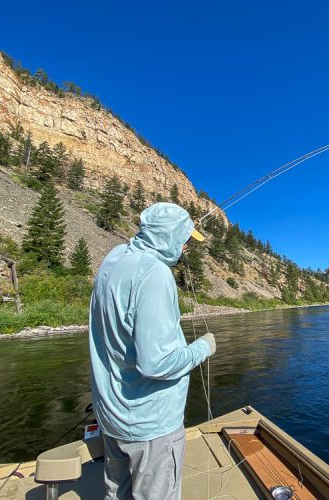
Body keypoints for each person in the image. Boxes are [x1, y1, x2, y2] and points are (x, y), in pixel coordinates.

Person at [89, 202, 216, 500]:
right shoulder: (155, 274)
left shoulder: (113, 260)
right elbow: (157, 364)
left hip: (112, 417)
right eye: (185, 240)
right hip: (151, 426)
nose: (186, 248)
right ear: (170, 237)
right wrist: (202, 348)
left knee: (116, 494)